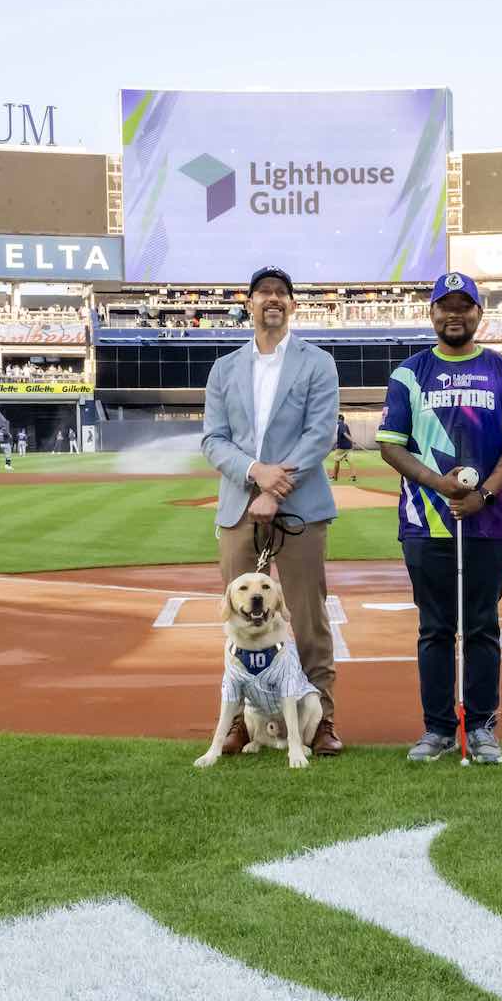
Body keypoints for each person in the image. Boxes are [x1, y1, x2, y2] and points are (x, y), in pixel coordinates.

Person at [377, 271, 502, 764]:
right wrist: (439, 484)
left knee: (483, 627)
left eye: (463, 306)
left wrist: (484, 495)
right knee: (435, 629)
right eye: (445, 306)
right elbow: (391, 446)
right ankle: (438, 729)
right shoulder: (409, 373)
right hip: (425, 521)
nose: (454, 314)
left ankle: (483, 727)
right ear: (431, 313)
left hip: (488, 522)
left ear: (478, 313)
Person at [199, 265, 346, 757]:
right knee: (240, 617)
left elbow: (320, 434)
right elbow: (213, 439)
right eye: (263, 292)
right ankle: (243, 723)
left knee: (307, 615)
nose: (273, 299)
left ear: (292, 304)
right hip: (239, 504)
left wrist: (276, 489)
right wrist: (256, 473)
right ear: (249, 304)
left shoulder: (317, 363)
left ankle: (321, 719)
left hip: (300, 505)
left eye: (281, 292)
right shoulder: (224, 369)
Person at [327, 412, 356, 481]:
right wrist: (352, 442)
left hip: (341, 447)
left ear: (339, 419)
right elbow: (348, 434)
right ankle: (353, 476)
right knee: (350, 461)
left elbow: (345, 434)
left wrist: (352, 440)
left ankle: (335, 477)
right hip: (349, 446)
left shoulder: (340, 425)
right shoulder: (345, 425)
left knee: (337, 461)